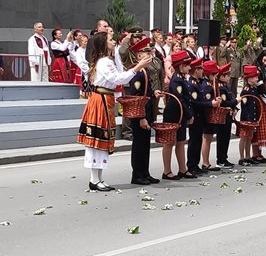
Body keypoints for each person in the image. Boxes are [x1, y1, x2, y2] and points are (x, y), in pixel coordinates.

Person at [77, 32, 152, 191]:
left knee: (101, 138)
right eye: (110, 40)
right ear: (104, 44)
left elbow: (119, 73)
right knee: (97, 138)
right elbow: (119, 79)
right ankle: (94, 179)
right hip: (101, 100)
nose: (113, 42)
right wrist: (137, 67)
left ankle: (98, 178)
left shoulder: (106, 60)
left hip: (105, 99)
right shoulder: (104, 61)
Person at [128, 37, 162, 185]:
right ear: (139, 55)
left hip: (146, 112)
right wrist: (142, 117)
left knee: (145, 144)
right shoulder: (137, 72)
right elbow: (136, 97)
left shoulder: (145, 71)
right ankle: (137, 174)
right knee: (139, 144)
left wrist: (153, 93)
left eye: (150, 52)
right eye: (145, 53)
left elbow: (145, 91)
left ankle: (145, 172)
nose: (149, 55)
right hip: (139, 114)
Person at [161, 50, 195, 180]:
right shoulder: (176, 80)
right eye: (187, 65)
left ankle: (182, 169)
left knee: (181, 141)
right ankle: (167, 171)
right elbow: (180, 99)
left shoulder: (182, 78)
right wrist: (189, 115)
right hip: (173, 115)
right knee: (169, 142)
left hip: (181, 115)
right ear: (181, 66)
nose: (189, 68)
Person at [198, 60, 223, 171]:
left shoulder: (212, 84)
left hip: (210, 114)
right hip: (207, 114)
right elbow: (205, 101)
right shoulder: (206, 86)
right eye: (214, 74)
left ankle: (206, 161)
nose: (215, 76)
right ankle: (205, 162)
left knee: (209, 137)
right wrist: (213, 103)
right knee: (207, 138)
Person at [216, 63, 240, 168]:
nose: (229, 77)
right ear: (222, 77)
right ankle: (221, 159)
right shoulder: (221, 88)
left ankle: (224, 158)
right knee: (222, 137)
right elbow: (225, 103)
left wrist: (234, 108)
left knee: (226, 137)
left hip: (228, 115)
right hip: (223, 116)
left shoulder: (225, 86)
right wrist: (236, 102)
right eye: (227, 75)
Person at [239, 66, 262, 166]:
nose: (256, 79)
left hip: (253, 117)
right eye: (254, 77)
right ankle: (241, 158)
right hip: (246, 117)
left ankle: (248, 156)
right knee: (244, 138)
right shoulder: (246, 90)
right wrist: (247, 118)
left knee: (249, 137)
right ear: (249, 79)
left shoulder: (254, 88)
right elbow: (244, 105)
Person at [186, 58, 205, 176]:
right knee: (194, 141)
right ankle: (191, 165)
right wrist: (209, 104)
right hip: (195, 115)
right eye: (200, 69)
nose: (202, 71)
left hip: (200, 115)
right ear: (196, 70)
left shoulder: (198, 82)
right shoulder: (192, 84)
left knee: (198, 140)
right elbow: (195, 102)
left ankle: (196, 164)